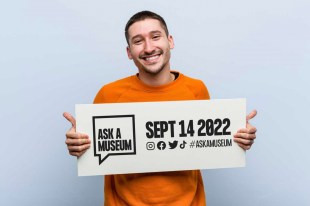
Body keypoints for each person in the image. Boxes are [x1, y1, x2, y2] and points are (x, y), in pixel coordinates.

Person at [64, 10, 257, 206]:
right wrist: (78, 143)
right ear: (129, 52)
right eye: (138, 41)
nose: (149, 48)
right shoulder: (109, 95)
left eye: (155, 37)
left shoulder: (196, 90)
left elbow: (207, 144)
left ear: (170, 41)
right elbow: (94, 149)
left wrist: (238, 136)